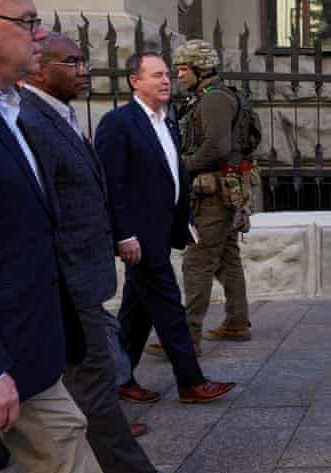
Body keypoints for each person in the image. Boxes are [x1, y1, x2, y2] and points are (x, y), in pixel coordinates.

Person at [13, 32, 199, 473]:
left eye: (83, 60)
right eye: (70, 61)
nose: (83, 69)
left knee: (28, 380)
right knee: (94, 377)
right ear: (37, 66)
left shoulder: (57, 114)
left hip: (81, 274)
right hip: (65, 278)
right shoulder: (31, 119)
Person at [0, 0, 130, 473]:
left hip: (30, 351)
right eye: (26, 22)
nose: (40, 34)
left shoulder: (10, 108)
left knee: (73, 466)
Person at [96, 51, 236, 405]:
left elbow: (173, 175)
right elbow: (112, 185)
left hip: (162, 229)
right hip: (139, 236)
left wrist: (184, 222)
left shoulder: (168, 120)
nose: (165, 81)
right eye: (156, 75)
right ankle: (190, 381)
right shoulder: (118, 123)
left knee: (137, 307)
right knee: (168, 303)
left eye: (167, 75)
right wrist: (124, 234)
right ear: (134, 81)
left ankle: (120, 377)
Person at [147, 39, 255, 358]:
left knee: (197, 261)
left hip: (213, 194)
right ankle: (237, 322)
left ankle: (186, 340)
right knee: (226, 256)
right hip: (224, 190)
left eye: (182, 69)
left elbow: (215, 149)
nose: (178, 76)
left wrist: (177, 167)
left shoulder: (214, 100)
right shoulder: (214, 95)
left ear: (200, 68)